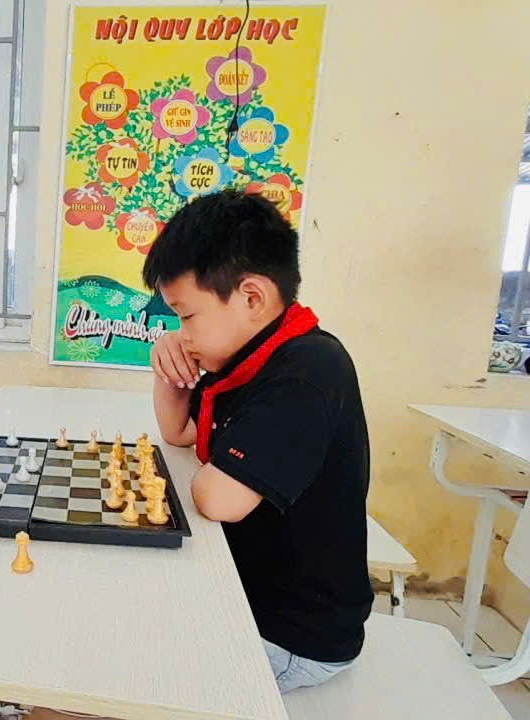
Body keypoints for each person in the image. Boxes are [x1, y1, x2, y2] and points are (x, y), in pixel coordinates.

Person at [142, 190, 373, 693]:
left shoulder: (308, 369)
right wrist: (167, 366)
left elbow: (219, 499)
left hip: (289, 636)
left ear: (251, 298)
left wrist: (213, 470)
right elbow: (179, 433)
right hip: (240, 589)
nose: (182, 333)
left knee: (120, 664)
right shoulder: (248, 356)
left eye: (186, 315)